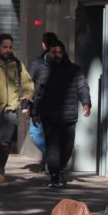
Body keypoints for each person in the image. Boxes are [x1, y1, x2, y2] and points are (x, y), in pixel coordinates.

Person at [32, 40, 91, 188]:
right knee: (53, 148)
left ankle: (59, 170)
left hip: (68, 117)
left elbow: (82, 87)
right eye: (53, 52)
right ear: (49, 53)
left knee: (67, 148)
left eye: (59, 52)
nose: (56, 55)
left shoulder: (74, 70)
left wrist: (86, 103)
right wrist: (34, 112)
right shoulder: (43, 70)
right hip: (49, 116)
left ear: (64, 53)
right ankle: (54, 175)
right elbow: (37, 93)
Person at [0, 33, 34, 185]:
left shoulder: (16, 64)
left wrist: (27, 95)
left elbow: (27, 82)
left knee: (5, 143)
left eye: (10, 47)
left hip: (10, 109)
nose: (8, 50)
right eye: (4, 47)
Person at [27, 31, 58, 171]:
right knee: (41, 134)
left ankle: (52, 157)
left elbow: (30, 83)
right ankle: (49, 161)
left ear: (43, 45)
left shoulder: (40, 63)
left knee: (36, 134)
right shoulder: (40, 62)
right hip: (45, 104)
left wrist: (26, 105)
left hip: (45, 104)